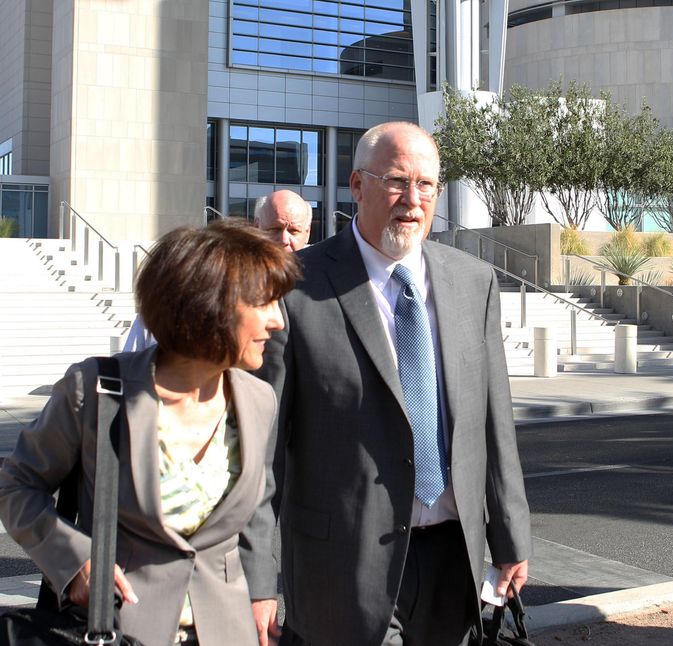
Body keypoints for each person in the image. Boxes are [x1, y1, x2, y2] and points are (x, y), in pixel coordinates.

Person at [243, 122, 532, 646]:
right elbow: (261, 454)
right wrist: (257, 578)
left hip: (453, 562)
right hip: (341, 570)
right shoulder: (293, 288)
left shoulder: (474, 283)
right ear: (357, 186)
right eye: (397, 181)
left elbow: (494, 424)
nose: (413, 200)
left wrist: (511, 537)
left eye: (427, 185)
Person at [0, 219, 300, 646]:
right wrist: (73, 559)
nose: (278, 321)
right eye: (263, 302)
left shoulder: (258, 400)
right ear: (208, 304)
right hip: (119, 629)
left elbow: (254, 511)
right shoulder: (97, 390)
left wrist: (262, 591)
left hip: (228, 631)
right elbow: (16, 484)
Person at [122, 191, 310, 354]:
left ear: (307, 232)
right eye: (275, 229)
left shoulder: (316, 288)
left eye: (294, 231)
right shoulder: (172, 309)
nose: (284, 240)